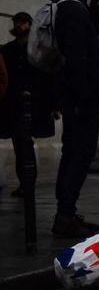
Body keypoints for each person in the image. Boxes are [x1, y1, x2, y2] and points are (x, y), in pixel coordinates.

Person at [51, 0, 99, 238]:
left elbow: (88, 40)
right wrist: (82, 97)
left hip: (78, 96)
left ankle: (67, 212)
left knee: (74, 152)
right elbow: (77, 57)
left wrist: (95, 6)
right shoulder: (72, 11)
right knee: (79, 153)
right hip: (82, 98)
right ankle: (65, 215)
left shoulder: (70, 8)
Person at [0, 13, 56, 197]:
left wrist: (53, 105)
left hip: (35, 104)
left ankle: (28, 183)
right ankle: (25, 183)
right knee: (20, 144)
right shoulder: (7, 50)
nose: (19, 26)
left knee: (25, 143)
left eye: (22, 23)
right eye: (17, 23)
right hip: (13, 105)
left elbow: (48, 78)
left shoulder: (39, 50)